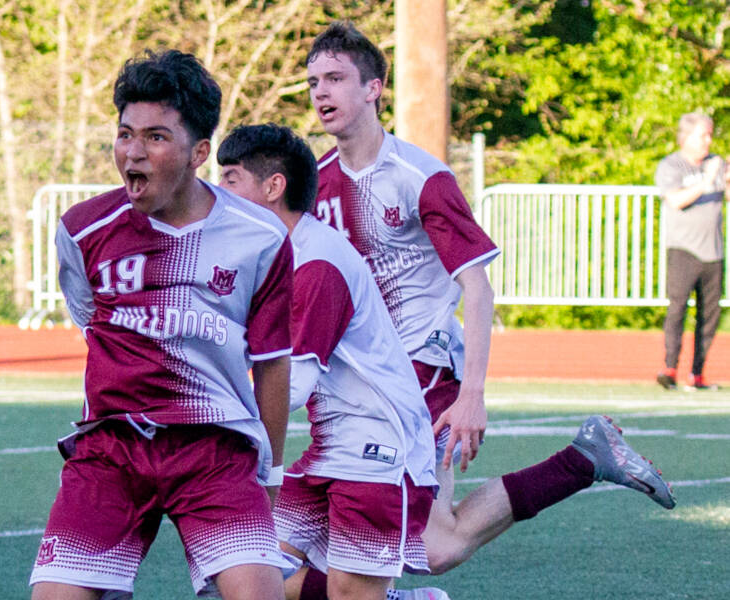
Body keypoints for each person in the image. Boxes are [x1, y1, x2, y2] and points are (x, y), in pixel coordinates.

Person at [298, 21, 677, 598]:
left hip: (418, 380)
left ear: (374, 88)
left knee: (398, 549)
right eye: (313, 82)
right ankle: (584, 458)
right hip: (354, 388)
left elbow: (476, 286)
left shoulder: (421, 177)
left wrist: (471, 394)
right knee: (419, 546)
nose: (321, 92)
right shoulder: (317, 184)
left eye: (335, 78)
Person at [29, 50, 294, 600]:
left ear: (199, 153)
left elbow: (272, 363)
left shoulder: (261, 237)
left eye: (155, 137)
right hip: (111, 449)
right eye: (125, 134)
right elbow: (92, 320)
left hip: (215, 448)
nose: (133, 152)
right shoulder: (82, 231)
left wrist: (270, 473)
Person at [216, 123, 448, 600]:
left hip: (378, 451)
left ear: (273, 187)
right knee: (253, 571)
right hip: (332, 448)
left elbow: (292, 385)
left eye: (231, 179)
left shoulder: (316, 264)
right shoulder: (275, 254)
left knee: (343, 592)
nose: (219, 193)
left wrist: (210, 416)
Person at [655, 112, 728, 391]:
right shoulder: (672, 165)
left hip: (713, 251)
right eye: (702, 135)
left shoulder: (716, 163)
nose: (708, 140)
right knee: (677, 310)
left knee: (709, 317)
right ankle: (670, 368)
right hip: (683, 249)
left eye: (710, 134)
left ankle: (697, 374)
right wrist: (705, 182)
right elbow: (675, 200)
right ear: (685, 137)